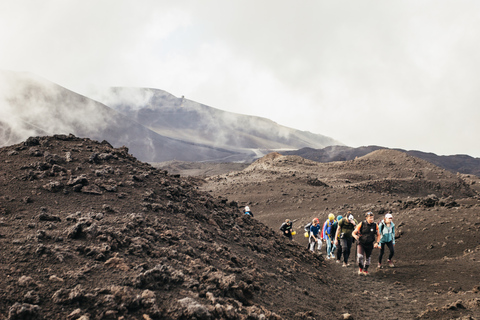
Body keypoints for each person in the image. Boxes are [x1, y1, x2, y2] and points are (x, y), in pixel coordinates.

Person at [353, 212, 381, 276]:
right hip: (361, 243)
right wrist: (355, 236)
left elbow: (378, 235)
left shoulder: (375, 225)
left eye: (372, 218)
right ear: (366, 218)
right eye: (370, 218)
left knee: (368, 258)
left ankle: (365, 270)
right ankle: (361, 268)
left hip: (370, 244)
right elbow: (354, 232)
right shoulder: (362, 224)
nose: (372, 219)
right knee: (360, 257)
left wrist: (377, 242)